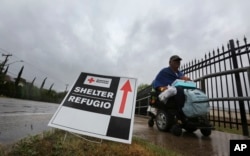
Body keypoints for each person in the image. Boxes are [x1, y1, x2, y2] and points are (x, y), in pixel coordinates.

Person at [152, 55, 190, 121]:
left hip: (179, 94)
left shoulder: (180, 74)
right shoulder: (164, 71)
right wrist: (162, 88)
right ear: (170, 62)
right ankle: (181, 113)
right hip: (168, 93)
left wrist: (187, 80)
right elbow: (157, 83)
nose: (177, 62)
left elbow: (184, 82)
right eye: (175, 61)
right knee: (179, 90)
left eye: (178, 61)